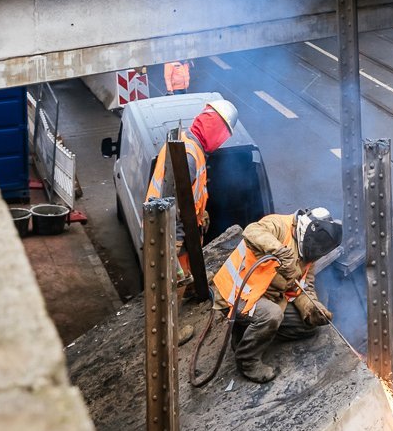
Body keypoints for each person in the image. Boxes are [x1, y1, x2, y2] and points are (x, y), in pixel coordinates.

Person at [213, 207, 342, 383]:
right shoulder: (280, 225)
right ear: (307, 230)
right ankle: (247, 361)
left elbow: (303, 288)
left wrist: (313, 308)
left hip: (267, 297)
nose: (313, 259)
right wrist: (280, 252)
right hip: (235, 294)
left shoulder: (311, 254)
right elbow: (252, 230)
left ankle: (247, 332)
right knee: (271, 315)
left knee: (307, 327)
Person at [144, 99, 238, 276]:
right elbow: (173, 204)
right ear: (216, 129)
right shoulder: (189, 156)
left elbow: (190, 194)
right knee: (175, 287)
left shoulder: (188, 143)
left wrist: (200, 215)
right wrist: (173, 247)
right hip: (170, 235)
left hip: (173, 231)